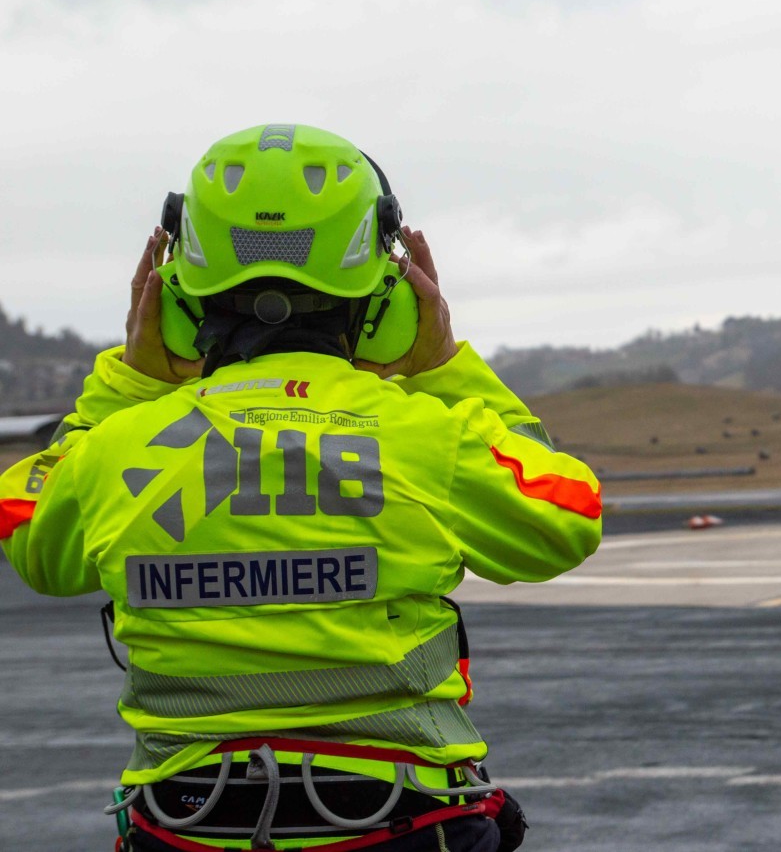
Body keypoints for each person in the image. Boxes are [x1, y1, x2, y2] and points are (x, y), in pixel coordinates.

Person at [0, 124, 603, 851]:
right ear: (384, 300)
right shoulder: (424, 438)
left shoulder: (116, 452)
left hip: (189, 823)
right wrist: (446, 366)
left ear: (175, 299)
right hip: (397, 821)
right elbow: (565, 514)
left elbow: (30, 529)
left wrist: (127, 384)